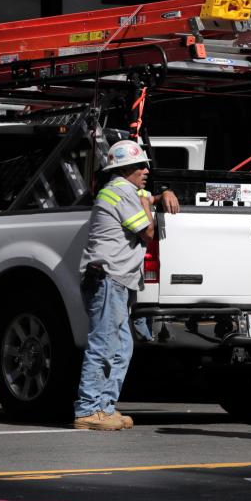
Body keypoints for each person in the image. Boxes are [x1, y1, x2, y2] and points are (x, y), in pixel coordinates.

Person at [73, 139, 180, 431]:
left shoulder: (122, 190)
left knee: (121, 346)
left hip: (113, 279)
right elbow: (147, 231)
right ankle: (87, 410)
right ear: (123, 170)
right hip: (108, 279)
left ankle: (104, 408)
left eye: (144, 165)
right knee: (104, 344)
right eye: (138, 166)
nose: (145, 170)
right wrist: (149, 203)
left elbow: (144, 198)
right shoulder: (121, 192)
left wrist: (159, 196)